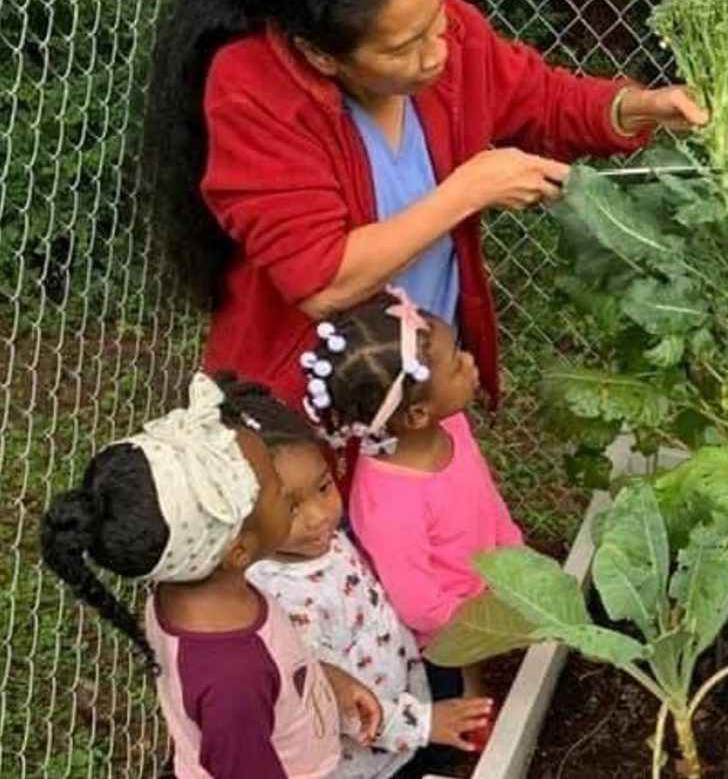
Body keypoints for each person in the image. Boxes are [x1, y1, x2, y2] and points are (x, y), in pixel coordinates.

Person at [142, 0, 706, 418]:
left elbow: (539, 97)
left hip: (416, 392)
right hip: (312, 414)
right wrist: (470, 190)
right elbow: (323, 281)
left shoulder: (443, 34)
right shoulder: (252, 92)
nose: (438, 50)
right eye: (405, 46)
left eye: (437, 16)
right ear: (321, 55)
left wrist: (639, 107)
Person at [39, 373, 382, 779]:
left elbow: (281, 669)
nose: (284, 492)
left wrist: (329, 681)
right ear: (238, 550)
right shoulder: (233, 679)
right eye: (276, 491)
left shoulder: (189, 588)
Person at [229, 376, 491, 778]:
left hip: (407, 711)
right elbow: (330, 699)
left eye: (323, 487)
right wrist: (424, 724)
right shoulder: (283, 601)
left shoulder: (323, 541)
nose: (319, 516)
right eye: (292, 508)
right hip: (367, 761)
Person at [301, 289, 521, 701]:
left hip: (483, 591)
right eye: (457, 364)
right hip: (445, 633)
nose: (470, 361)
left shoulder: (451, 426)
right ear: (417, 414)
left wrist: (512, 551)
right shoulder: (389, 501)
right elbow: (417, 603)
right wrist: (479, 623)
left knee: (482, 676)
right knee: (461, 693)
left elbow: (484, 497)